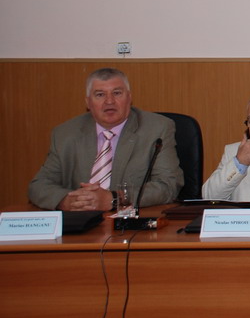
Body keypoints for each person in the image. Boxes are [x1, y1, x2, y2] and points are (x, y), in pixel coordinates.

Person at [28, 67, 183, 211]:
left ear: (129, 98)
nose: (109, 101)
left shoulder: (157, 129)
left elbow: (168, 186)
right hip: (79, 221)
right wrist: (67, 201)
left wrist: (114, 199)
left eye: (117, 93)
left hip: (128, 222)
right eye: (100, 95)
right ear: (88, 102)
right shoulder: (65, 133)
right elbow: (39, 186)